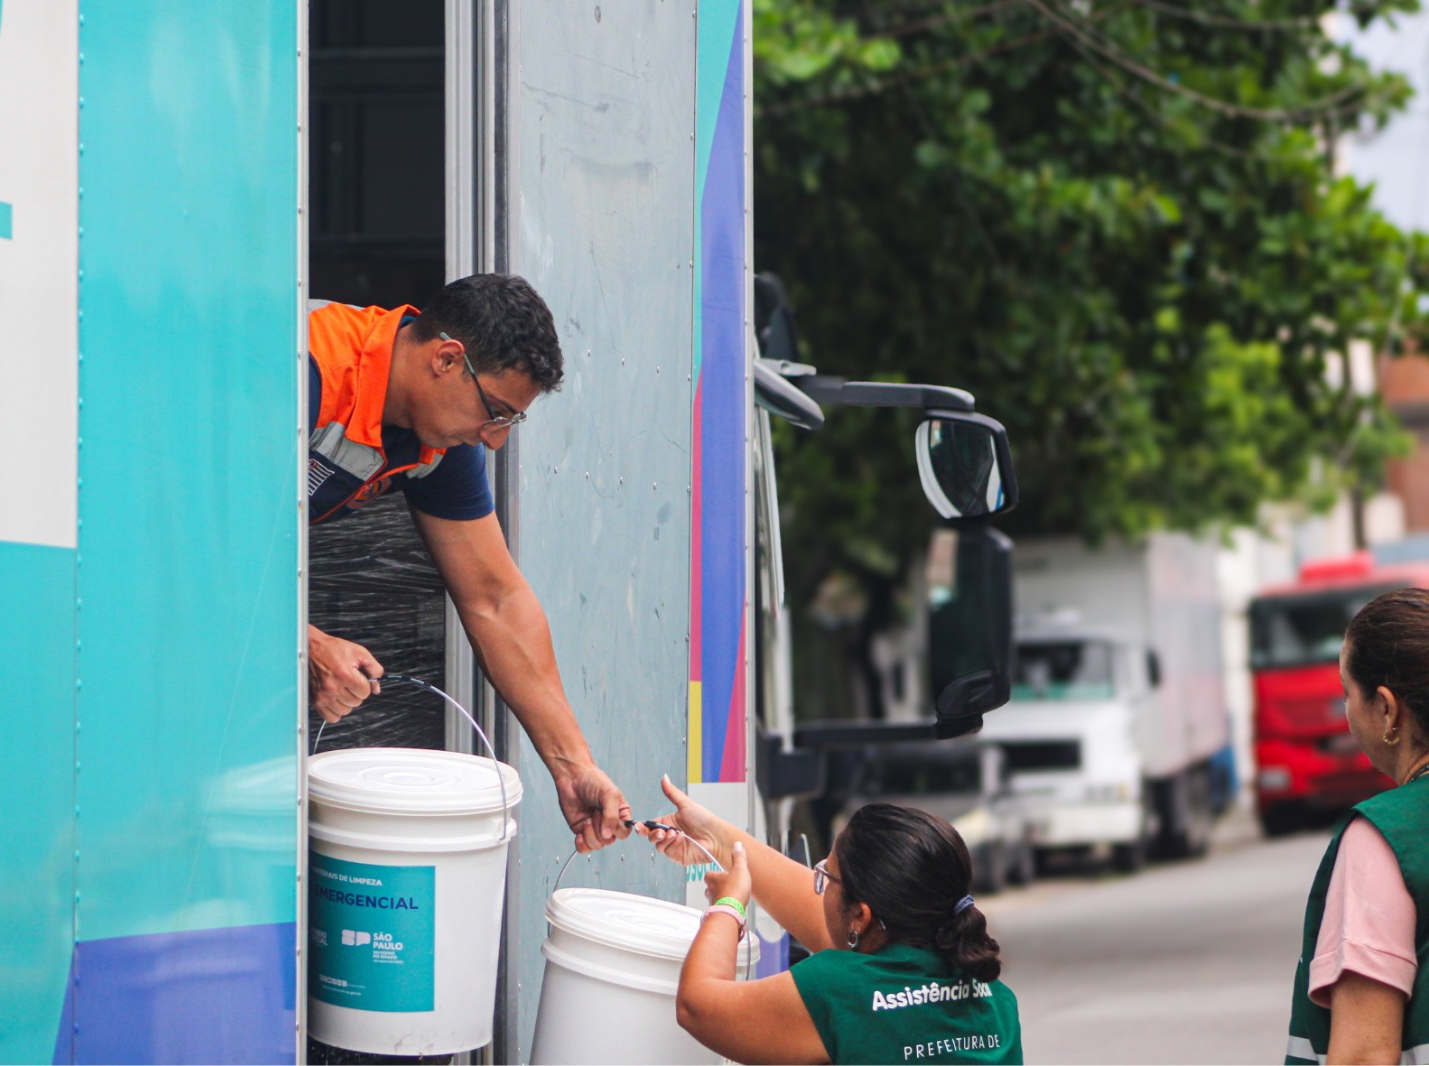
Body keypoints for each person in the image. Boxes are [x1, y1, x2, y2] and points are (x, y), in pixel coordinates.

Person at [305, 273, 629, 853]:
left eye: (508, 423)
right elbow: (186, 533)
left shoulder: (438, 445)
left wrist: (572, 764)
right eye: (496, 412)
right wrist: (305, 644)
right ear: (447, 359)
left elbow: (496, 600)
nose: (494, 441)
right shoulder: (306, 366)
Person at [641, 776, 1023, 1065]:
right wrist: (722, 843)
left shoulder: (836, 991)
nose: (817, 886)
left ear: (860, 915)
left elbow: (698, 1006)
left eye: (826, 877)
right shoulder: (994, 997)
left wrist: (727, 905)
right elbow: (831, 927)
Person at [1287, 587, 1429, 1065]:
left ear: (1387, 710)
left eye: (1347, 693)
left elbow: (1364, 1056)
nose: (1345, 710)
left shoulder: (1386, 839)